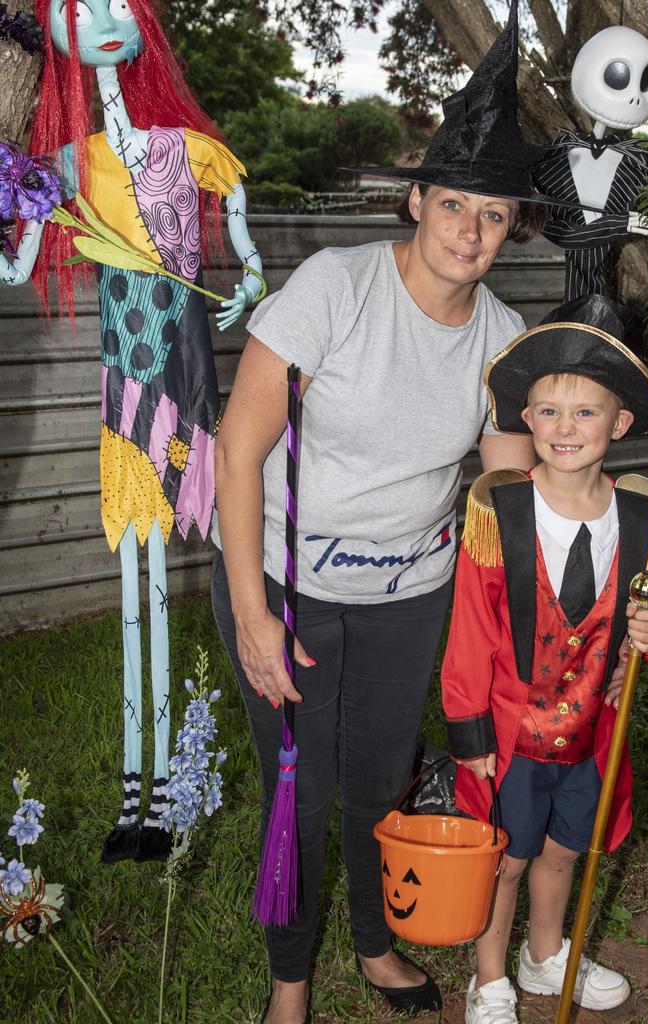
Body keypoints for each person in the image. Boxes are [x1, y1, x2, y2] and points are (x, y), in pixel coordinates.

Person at [210, 7, 572, 1022]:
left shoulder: (504, 339)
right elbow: (238, 453)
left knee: (379, 782)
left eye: (494, 215)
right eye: (454, 204)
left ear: (513, 229)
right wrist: (249, 616)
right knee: (306, 791)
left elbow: (503, 501)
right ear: (417, 198)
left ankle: (373, 947)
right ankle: (291, 982)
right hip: (288, 583)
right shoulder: (337, 289)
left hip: (412, 595)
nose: (470, 231)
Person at [0, 0, 263, 863]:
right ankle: (138, 800)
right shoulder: (66, 165)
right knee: (134, 581)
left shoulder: (186, 149)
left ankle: (160, 801)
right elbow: (18, 261)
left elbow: (244, 227)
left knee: (162, 562)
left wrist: (250, 275)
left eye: (117, 4)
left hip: (183, 372)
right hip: (125, 384)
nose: (105, 18)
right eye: (81, 9)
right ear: (59, 33)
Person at [441, 294, 648, 1024]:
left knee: (565, 852)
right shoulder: (500, 512)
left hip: (587, 738)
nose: (564, 429)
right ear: (524, 419)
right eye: (547, 412)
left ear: (620, 422)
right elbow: (470, 636)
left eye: (585, 413)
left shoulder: (641, 517)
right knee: (505, 859)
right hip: (511, 738)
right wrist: (471, 738)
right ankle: (489, 978)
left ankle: (543, 958)